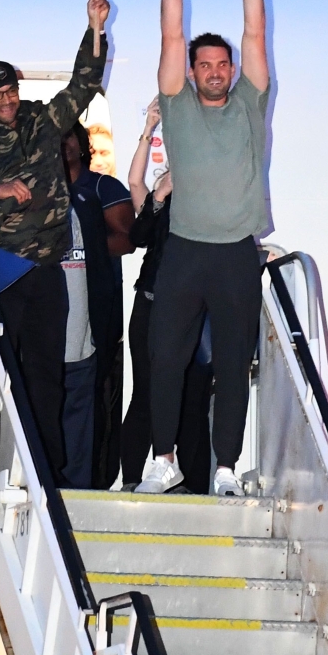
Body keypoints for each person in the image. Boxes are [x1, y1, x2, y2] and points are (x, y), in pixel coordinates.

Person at [0, 0, 111, 484]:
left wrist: (94, 28)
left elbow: (84, 83)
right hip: (4, 273)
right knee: (3, 374)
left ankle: (46, 472)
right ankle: (4, 464)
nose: (7, 100)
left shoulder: (43, 120)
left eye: (11, 90)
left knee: (48, 376)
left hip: (47, 270)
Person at [140, 0, 272, 497]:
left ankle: (224, 469)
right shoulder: (177, 105)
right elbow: (171, 31)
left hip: (237, 250)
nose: (216, 71)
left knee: (233, 364)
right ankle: (163, 460)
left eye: (224, 64)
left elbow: (255, 31)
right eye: (206, 65)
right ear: (191, 72)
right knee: (165, 359)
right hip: (186, 250)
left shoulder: (250, 100)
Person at [120, 102, 215, 493]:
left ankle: (192, 483)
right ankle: (131, 478)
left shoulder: (213, 194)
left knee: (193, 394)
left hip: (195, 306)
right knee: (145, 390)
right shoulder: (163, 193)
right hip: (152, 300)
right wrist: (148, 129)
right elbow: (135, 191)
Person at [61, 122, 133, 489]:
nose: (65, 143)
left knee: (91, 406)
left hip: (95, 317)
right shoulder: (37, 190)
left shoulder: (103, 187)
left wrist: (86, 241)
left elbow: (127, 239)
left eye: (70, 135)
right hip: (49, 316)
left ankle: (89, 481)